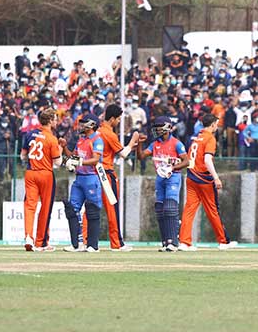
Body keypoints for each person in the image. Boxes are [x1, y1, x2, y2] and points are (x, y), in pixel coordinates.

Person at [81, 104, 139, 252]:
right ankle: (116, 243)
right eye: (118, 119)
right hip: (106, 173)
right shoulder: (109, 134)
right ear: (112, 119)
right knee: (112, 208)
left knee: (91, 208)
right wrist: (133, 141)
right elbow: (124, 154)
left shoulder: (97, 132)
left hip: (93, 173)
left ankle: (86, 241)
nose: (119, 121)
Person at [179, 114, 236, 251]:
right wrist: (215, 177)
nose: (217, 126)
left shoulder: (196, 138)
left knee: (189, 209)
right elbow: (207, 160)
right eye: (216, 123)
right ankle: (223, 241)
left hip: (191, 176)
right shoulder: (210, 138)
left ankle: (184, 242)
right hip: (203, 178)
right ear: (212, 125)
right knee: (212, 210)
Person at [137, 115, 188, 251]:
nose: (157, 130)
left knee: (170, 208)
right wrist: (139, 144)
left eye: (159, 128)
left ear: (167, 128)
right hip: (160, 178)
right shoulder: (155, 144)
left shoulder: (177, 143)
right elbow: (141, 156)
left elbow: (186, 161)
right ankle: (165, 241)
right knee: (160, 210)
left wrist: (172, 168)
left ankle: (173, 242)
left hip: (173, 177)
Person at [61, 113, 104, 253]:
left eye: (84, 123)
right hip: (79, 178)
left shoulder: (97, 140)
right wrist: (64, 147)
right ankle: (76, 244)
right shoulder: (81, 140)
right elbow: (73, 156)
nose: (80, 126)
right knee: (72, 209)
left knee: (92, 210)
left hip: (91, 178)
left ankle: (93, 245)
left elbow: (96, 159)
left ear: (91, 125)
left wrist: (79, 162)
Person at [20, 108, 62, 252]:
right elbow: (57, 162)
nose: (56, 121)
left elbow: (23, 156)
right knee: (45, 208)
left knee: (29, 206)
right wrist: (60, 149)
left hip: (31, 173)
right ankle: (41, 242)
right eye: (55, 119)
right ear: (50, 121)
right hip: (45, 174)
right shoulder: (51, 138)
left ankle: (28, 237)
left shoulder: (30, 134)